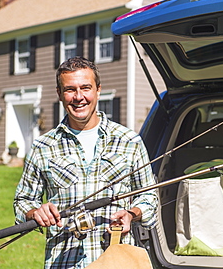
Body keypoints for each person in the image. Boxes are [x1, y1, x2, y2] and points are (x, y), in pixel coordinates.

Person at [13, 56, 158, 269]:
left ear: (98, 90)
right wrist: (35, 212)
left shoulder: (129, 141)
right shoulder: (42, 146)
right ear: (60, 94)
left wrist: (131, 214)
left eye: (86, 88)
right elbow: (22, 200)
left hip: (117, 259)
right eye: (70, 89)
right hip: (64, 261)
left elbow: (149, 195)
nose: (79, 97)